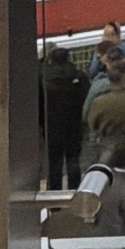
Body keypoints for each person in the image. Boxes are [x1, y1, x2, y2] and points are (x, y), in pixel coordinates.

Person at [41, 45, 89, 191]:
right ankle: (74, 191)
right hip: (74, 124)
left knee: (54, 162)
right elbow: (86, 99)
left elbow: (40, 104)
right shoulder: (79, 77)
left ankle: (54, 194)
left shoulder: (45, 80)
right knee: (73, 159)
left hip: (52, 126)